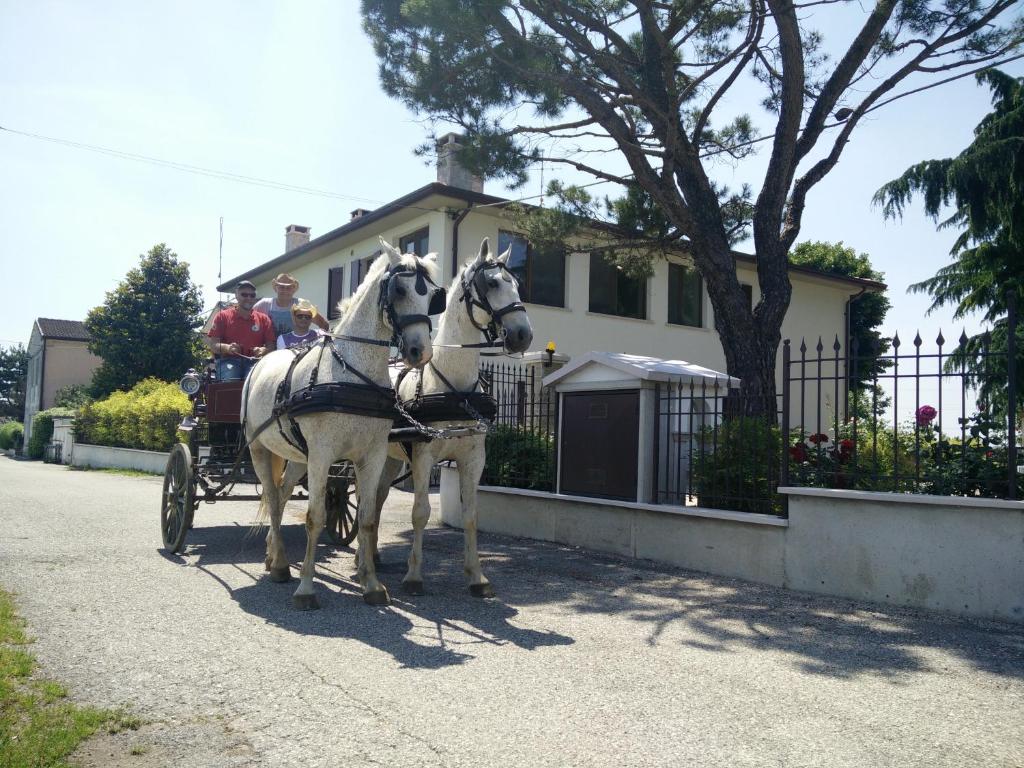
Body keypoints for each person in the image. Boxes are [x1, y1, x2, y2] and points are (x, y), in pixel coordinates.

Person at [206, 280, 277, 378]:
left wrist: (263, 350)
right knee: (230, 380)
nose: (248, 298)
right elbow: (213, 345)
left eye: (252, 295)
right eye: (244, 294)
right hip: (228, 361)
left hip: (254, 361)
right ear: (236, 295)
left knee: (255, 383)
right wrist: (227, 348)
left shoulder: (264, 319)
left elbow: (271, 346)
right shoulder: (222, 316)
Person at [254, 273, 329, 338]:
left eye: (288, 287)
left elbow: (323, 324)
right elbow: (248, 321)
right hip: (269, 351)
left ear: (293, 289)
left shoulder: (301, 304)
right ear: (276, 288)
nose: (285, 290)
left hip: (297, 350)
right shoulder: (264, 304)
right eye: (281, 287)